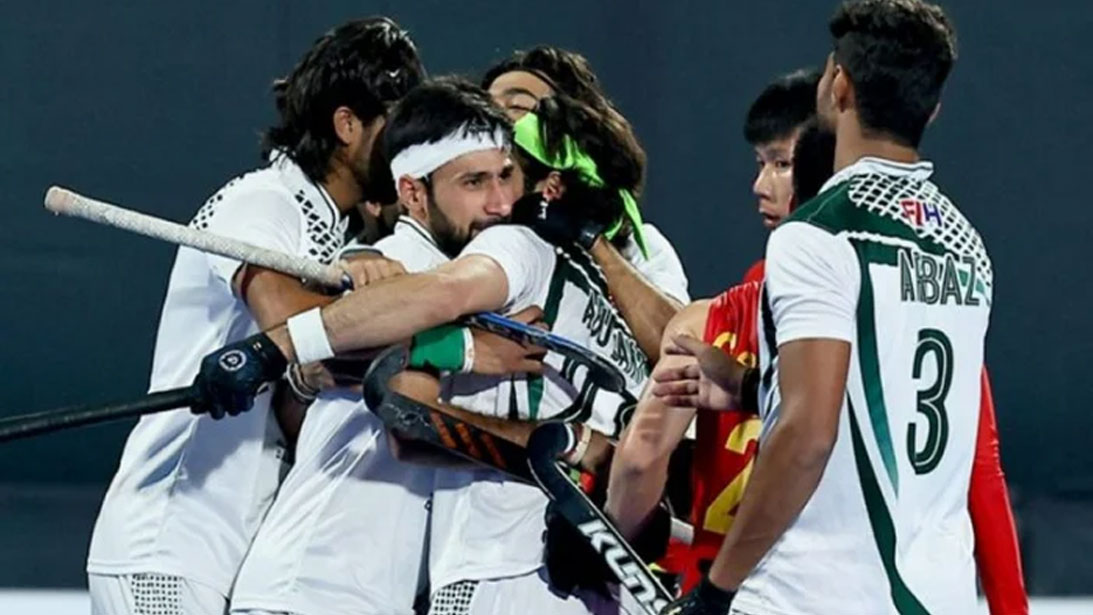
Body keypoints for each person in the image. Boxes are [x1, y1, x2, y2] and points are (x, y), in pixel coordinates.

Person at [656, 1, 994, 613]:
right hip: (936, 594)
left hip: (816, 592)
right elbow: (893, 400)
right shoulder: (965, 245)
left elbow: (808, 435)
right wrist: (754, 388)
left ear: (839, 86)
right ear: (932, 108)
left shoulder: (818, 234)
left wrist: (718, 588)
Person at [85, 18, 423, 615]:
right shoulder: (263, 201)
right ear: (347, 125)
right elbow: (289, 324)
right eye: (397, 126)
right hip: (168, 543)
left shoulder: (336, 232)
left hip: (231, 552)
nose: (409, 151)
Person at [228, 78, 550, 615]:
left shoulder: (475, 271)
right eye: (473, 182)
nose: (500, 203)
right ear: (413, 194)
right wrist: (469, 350)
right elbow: (351, 365)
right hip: (314, 586)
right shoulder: (397, 270)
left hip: (368, 592)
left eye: (505, 175)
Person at [604, 69, 823, 595]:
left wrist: (611, 537)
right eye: (760, 163)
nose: (760, 185)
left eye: (782, 164)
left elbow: (640, 458)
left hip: (725, 592)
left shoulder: (706, 323)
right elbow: (979, 472)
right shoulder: (893, 314)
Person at [483, 46, 688, 362]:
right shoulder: (464, 228)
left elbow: (677, 348)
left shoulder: (639, 247)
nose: (491, 118)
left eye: (516, 106)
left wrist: (592, 240)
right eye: (485, 105)